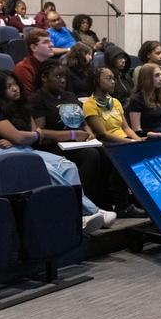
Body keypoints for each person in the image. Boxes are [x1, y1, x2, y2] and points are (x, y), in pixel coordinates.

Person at [0, 70, 113, 230]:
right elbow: (26, 135)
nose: (15, 88)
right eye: (8, 86)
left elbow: (35, 133)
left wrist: (22, 137)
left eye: (15, 84)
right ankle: (88, 211)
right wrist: (22, 137)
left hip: (22, 148)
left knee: (67, 165)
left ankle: (79, 215)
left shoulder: (21, 105)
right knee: (46, 168)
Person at [28, 59, 105, 208]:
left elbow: (83, 122)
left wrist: (89, 134)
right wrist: (72, 135)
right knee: (91, 155)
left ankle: (105, 201)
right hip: (54, 146)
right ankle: (82, 205)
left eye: (64, 77)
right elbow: (40, 132)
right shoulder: (37, 99)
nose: (62, 80)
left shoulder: (69, 96)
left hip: (78, 143)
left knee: (106, 153)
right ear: (44, 78)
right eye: (57, 77)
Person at [83, 66, 146, 218]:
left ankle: (141, 199)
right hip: (107, 142)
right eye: (108, 78)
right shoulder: (89, 104)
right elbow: (102, 133)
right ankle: (122, 205)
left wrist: (137, 140)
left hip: (123, 140)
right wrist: (128, 142)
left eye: (113, 78)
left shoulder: (116, 102)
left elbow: (125, 127)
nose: (113, 82)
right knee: (124, 154)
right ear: (96, 82)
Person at [126, 63, 161, 139]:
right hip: (148, 140)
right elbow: (138, 131)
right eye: (157, 75)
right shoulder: (136, 99)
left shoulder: (160, 98)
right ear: (147, 78)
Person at [14, 28, 54, 96]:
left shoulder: (52, 64)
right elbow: (30, 98)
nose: (51, 45)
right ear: (33, 48)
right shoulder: (23, 68)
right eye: (45, 42)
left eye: (50, 41)